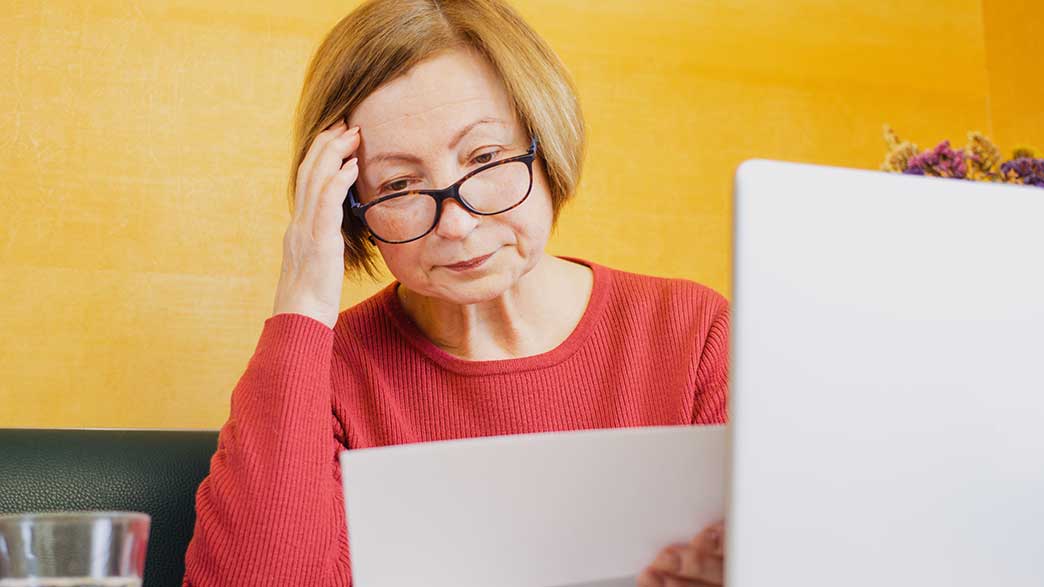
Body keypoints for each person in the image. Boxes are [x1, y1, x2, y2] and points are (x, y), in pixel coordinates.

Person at [182, 0, 729, 585]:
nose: (457, 223)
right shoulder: (324, 373)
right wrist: (303, 299)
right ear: (350, 206)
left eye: (485, 157)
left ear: (545, 143)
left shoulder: (694, 333)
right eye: (399, 185)